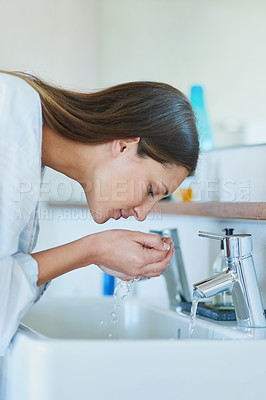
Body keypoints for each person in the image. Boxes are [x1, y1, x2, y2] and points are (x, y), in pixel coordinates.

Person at [0, 70, 199, 354]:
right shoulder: (10, 122)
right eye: (151, 191)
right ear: (125, 145)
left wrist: (96, 252)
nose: (142, 215)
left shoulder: (24, 131)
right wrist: (93, 250)